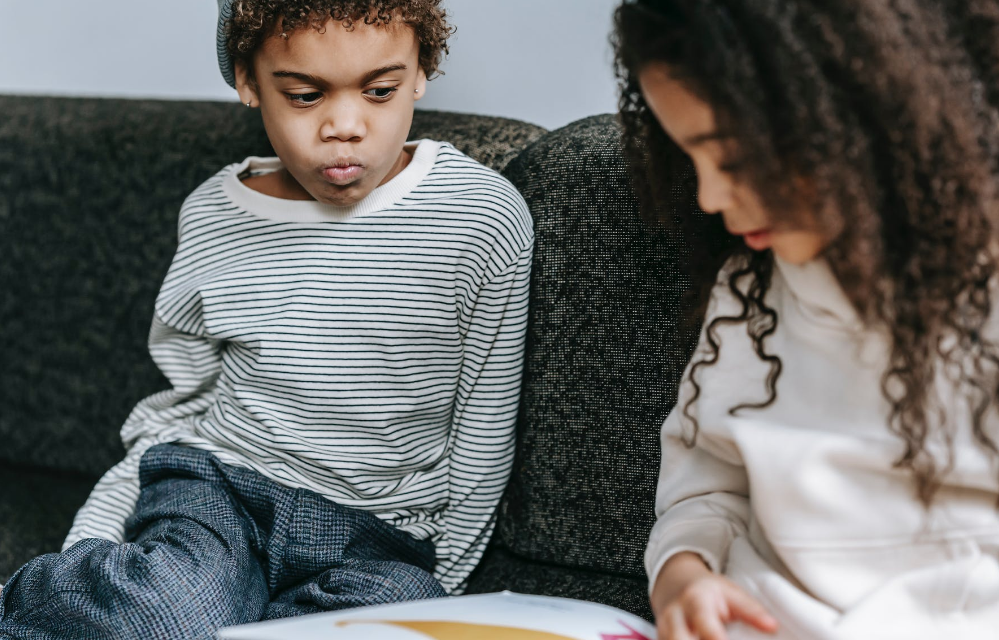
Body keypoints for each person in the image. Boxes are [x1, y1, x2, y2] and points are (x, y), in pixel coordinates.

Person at [0, 1, 532, 637]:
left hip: (383, 535)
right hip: (222, 493)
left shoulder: (481, 219)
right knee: (159, 615)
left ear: (421, 72)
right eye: (306, 95)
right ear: (250, 83)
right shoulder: (213, 216)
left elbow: (485, 424)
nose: (346, 126)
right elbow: (180, 405)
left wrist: (445, 583)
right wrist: (92, 547)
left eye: (381, 90)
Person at [613, 0, 999, 638]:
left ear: (863, 114)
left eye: (733, 159)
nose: (709, 198)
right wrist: (684, 572)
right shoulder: (751, 295)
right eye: (691, 160)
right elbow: (707, 487)